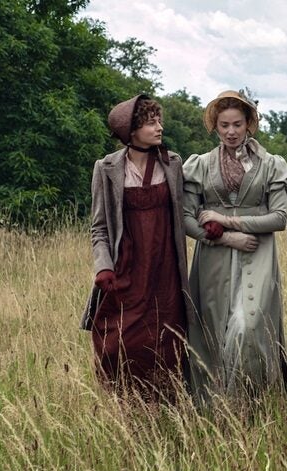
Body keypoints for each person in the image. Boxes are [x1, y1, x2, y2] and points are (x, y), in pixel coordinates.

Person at [181, 90, 287, 402]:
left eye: (237, 125)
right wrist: (224, 237)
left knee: (248, 326)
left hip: (258, 254)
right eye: (224, 125)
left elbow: (280, 218)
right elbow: (187, 218)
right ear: (215, 127)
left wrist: (227, 221)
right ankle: (214, 408)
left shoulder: (271, 165)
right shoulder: (199, 166)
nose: (231, 132)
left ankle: (248, 400)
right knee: (214, 332)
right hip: (213, 259)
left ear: (249, 125)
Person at [81, 94, 189, 401]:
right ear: (130, 131)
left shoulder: (173, 163)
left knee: (167, 339)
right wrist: (103, 266)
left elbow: (189, 210)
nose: (159, 127)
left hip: (165, 266)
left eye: (159, 120)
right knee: (118, 341)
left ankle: (166, 404)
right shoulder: (107, 168)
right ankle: (125, 400)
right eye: (150, 122)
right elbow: (99, 227)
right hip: (128, 265)